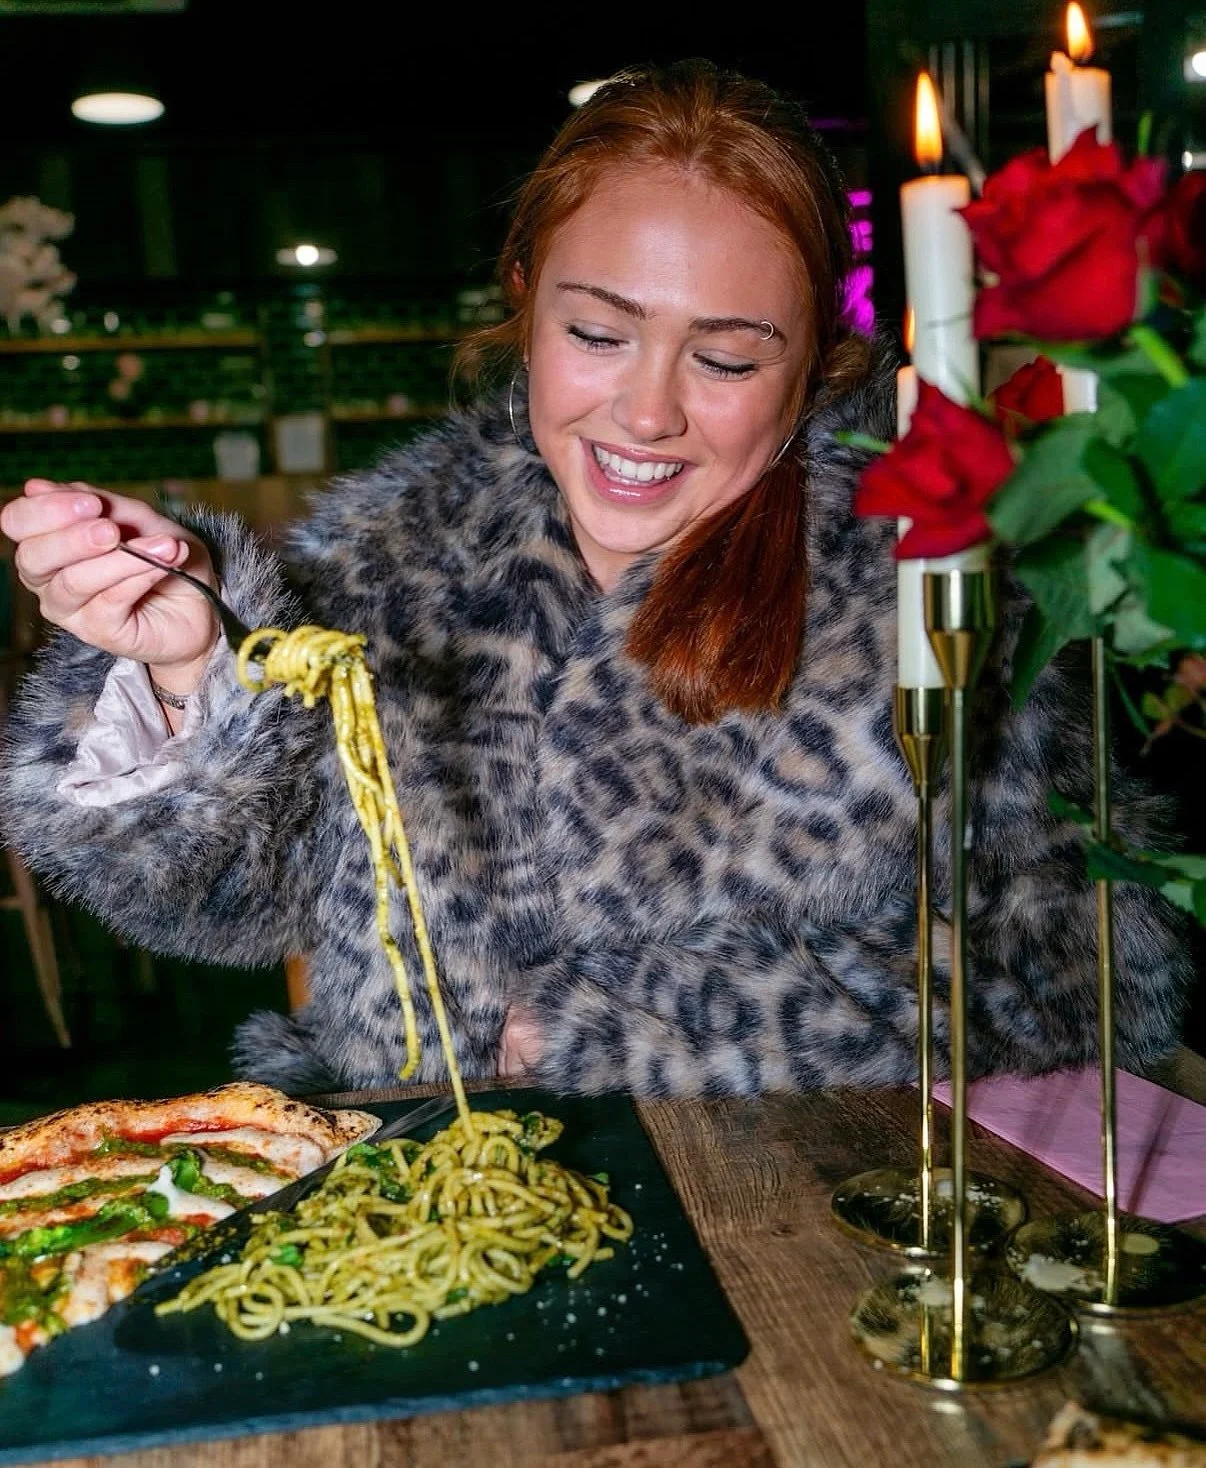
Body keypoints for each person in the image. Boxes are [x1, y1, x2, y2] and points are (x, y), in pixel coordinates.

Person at [0, 62, 1189, 1098]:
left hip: (789, 1251)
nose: (650, 409)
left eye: (725, 356)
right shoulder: (378, 564)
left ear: (814, 367)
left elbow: (1089, 980)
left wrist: (639, 1029)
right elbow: (215, 906)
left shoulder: (932, 589)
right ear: (524, 303)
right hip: (417, 1221)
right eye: (599, 335)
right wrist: (191, 662)